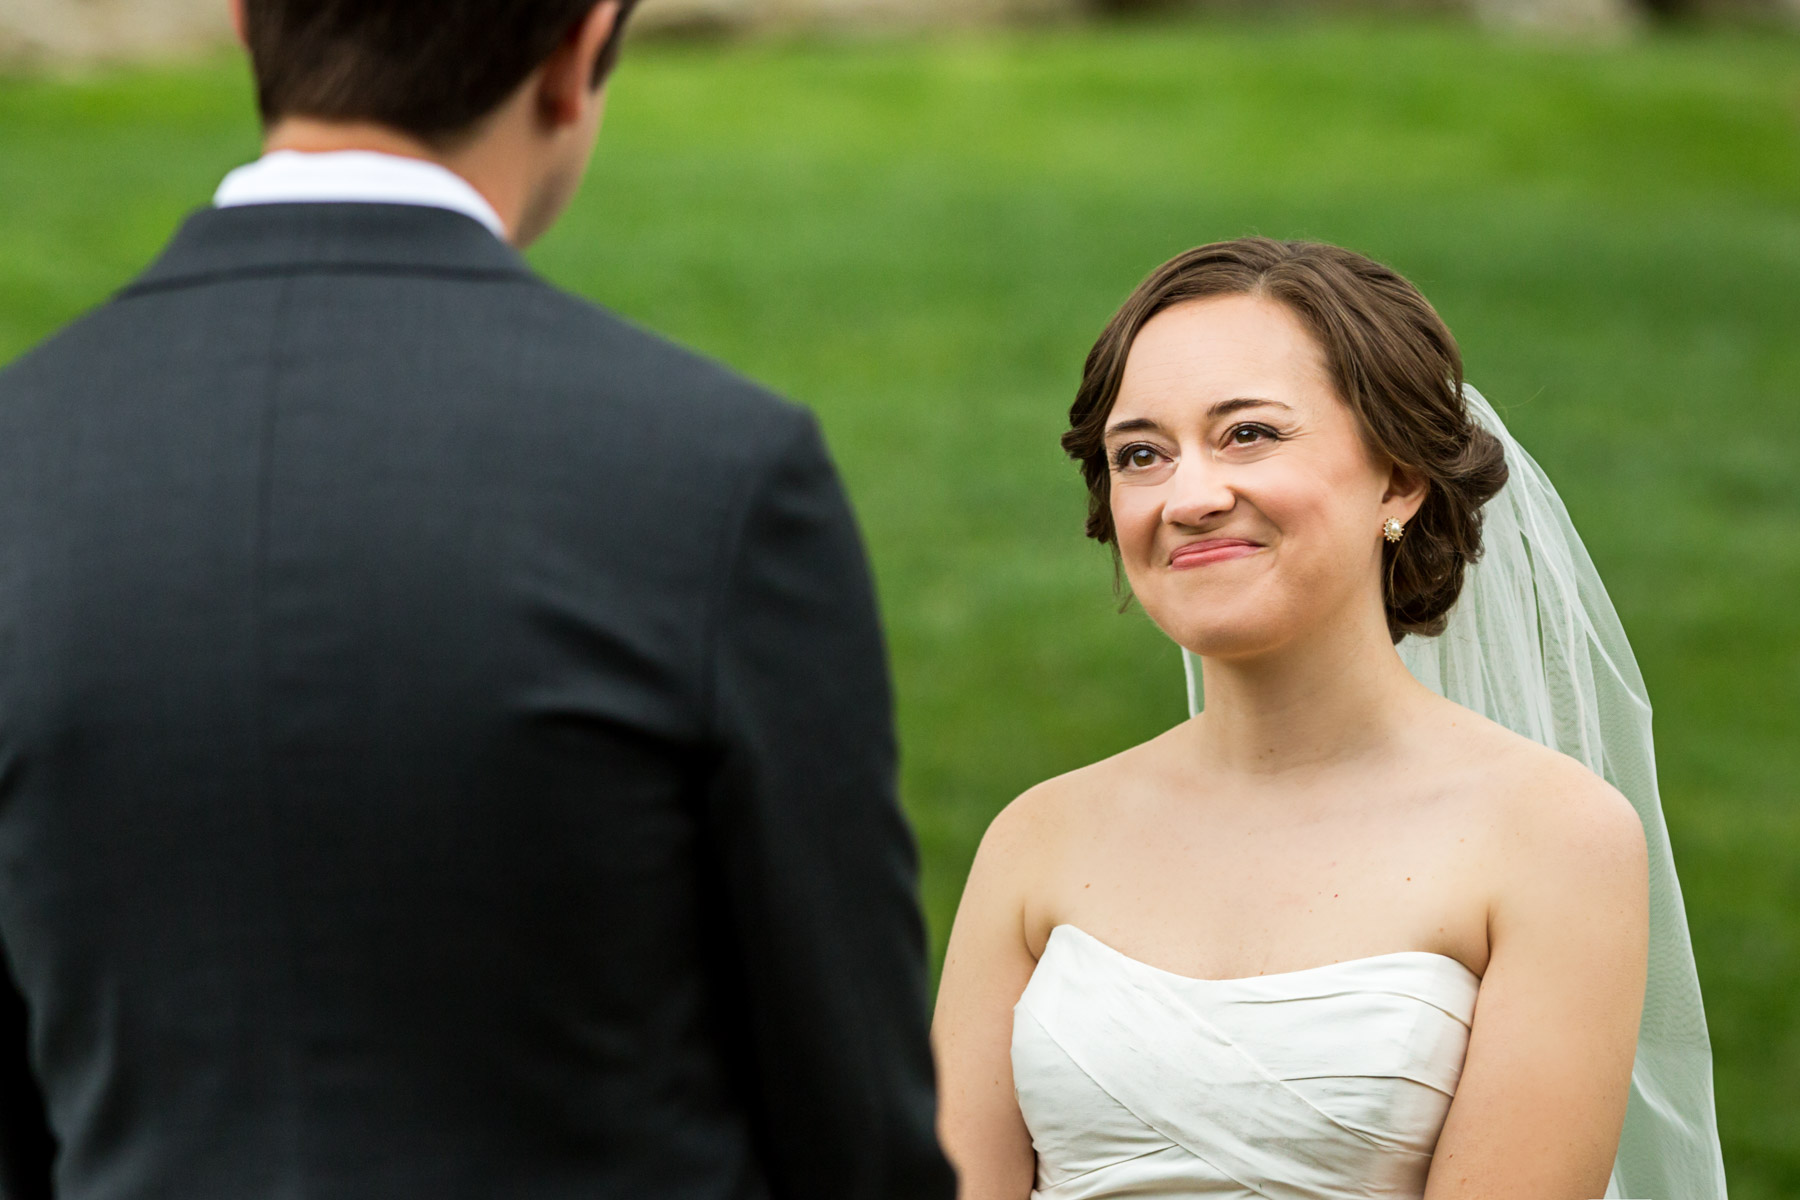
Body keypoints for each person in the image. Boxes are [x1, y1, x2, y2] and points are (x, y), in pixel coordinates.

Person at [0, 2, 956, 1197]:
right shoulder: (711, 471)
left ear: (246, 21)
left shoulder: (20, 458)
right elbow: (847, 1117)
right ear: (578, 50)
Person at [932, 239, 1728, 1199]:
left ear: (1398, 478)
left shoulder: (1555, 838)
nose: (1188, 497)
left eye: (1250, 434)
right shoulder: (1038, 838)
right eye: (1140, 454)